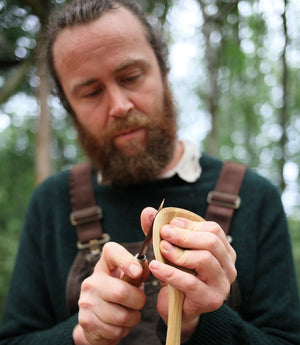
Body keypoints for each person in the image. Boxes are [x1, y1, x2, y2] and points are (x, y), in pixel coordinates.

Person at [0, 0, 300, 344]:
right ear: (69, 107)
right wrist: (80, 334)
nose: (119, 106)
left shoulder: (254, 195)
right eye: (92, 92)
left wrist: (199, 322)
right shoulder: (51, 203)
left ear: (163, 68)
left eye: (130, 77)